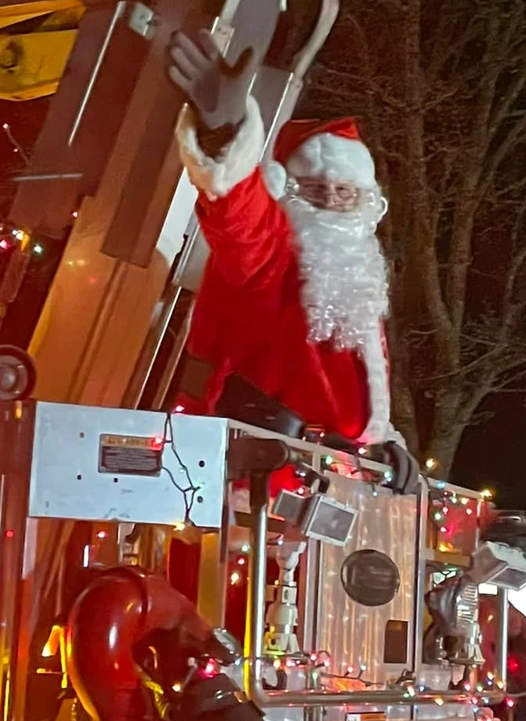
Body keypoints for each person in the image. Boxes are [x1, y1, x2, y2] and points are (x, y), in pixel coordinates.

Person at [167, 30, 402, 450]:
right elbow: (244, 220)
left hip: (329, 483)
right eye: (314, 190)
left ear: (365, 205)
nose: (330, 202)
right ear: (288, 190)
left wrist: (387, 446)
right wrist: (224, 131)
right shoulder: (273, 255)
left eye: (344, 193)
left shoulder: (358, 278)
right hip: (246, 473)